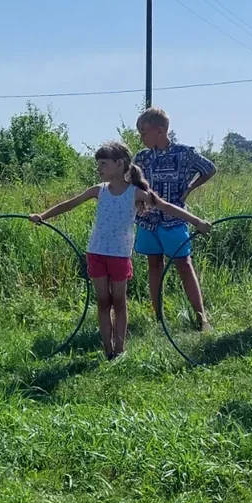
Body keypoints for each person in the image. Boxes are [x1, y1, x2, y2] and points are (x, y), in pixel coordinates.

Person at [31, 140, 211, 359]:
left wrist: (197, 221)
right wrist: (42, 215)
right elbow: (69, 204)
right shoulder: (98, 190)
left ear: (119, 164)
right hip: (96, 252)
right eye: (98, 164)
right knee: (102, 301)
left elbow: (166, 206)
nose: (99, 168)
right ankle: (107, 349)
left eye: (103, 164)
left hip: (119, 255)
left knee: (118, 301)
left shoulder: (135, 193)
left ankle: (119, 349)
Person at [132, 108, 217, 330]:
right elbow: (130, 182)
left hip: (175, 220)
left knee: (184, 265)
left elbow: (209, 169)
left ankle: (201, 318)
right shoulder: (141, 157)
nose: (141, 137)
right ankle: (159, 317)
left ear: (160, 131)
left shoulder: (184, 153)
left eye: (144, 132)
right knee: (154, 265)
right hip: (148, 220)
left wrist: (189, 188)